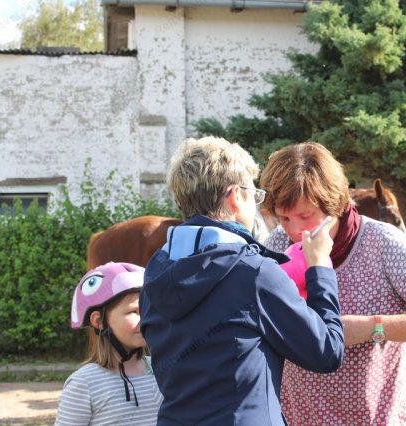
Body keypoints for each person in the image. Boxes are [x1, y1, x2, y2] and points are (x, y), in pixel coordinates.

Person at [260, 142, 406, 425]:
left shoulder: (382, 242)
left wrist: (372, 328)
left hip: (379, 417)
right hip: (299, 417)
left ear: (333, 204)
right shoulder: (277, 243)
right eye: (284, 218)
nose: (295, 230)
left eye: (305, 215)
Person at [139, 136, 344, 425]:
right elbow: (327, 351)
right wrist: (320, 267)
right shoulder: (255, 272)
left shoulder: (155, 270)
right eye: (254, 194)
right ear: (236, 196)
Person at [55, 262, 162, 425]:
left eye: (148, 310)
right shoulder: (84, 384)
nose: (146, 319)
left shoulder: (162, 369)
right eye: (134, 312)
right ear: (99, 321)